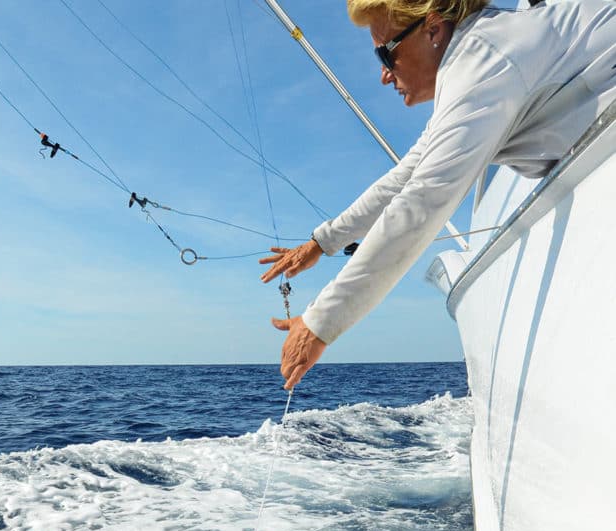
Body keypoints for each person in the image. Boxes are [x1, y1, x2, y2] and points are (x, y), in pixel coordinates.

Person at [259, 0, 616, 389]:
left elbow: (422, 201)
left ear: (432, 30)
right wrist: (320, 243)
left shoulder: (482, 61)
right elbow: (404, 178)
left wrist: (318, 325)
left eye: (385, 52)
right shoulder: (472, 66)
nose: (382, 75)